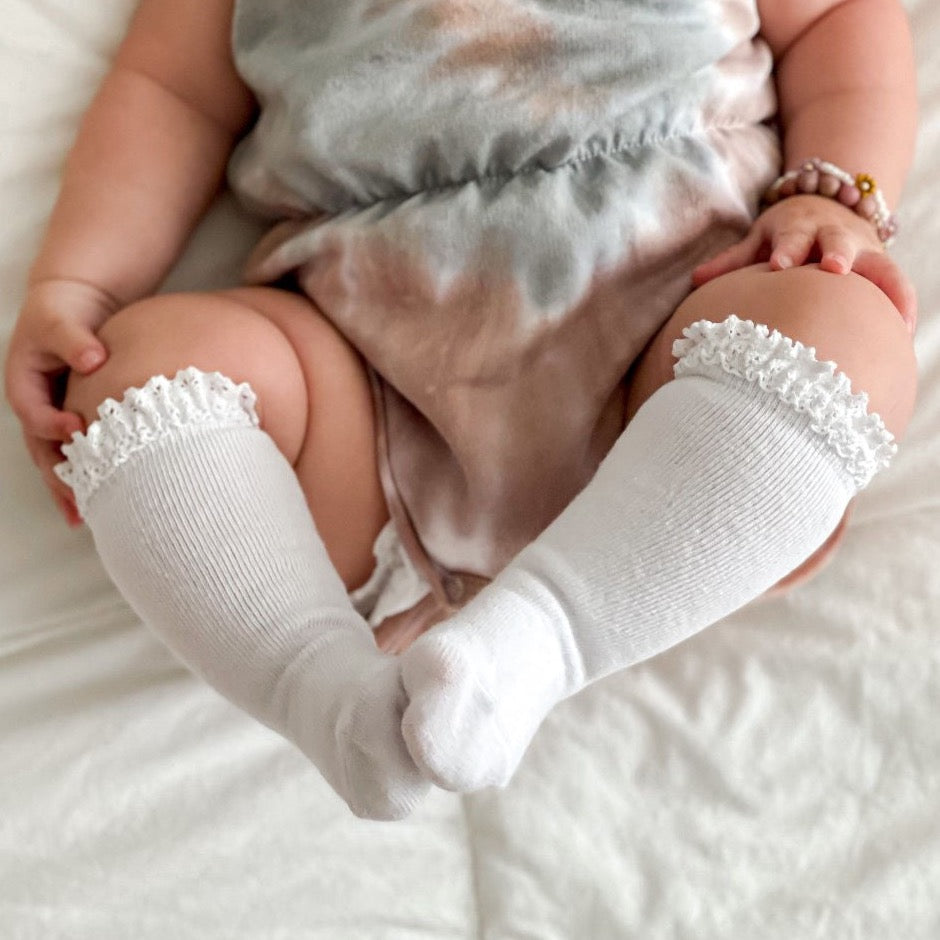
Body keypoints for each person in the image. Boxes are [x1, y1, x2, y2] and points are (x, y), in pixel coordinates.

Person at [3, 0, 919, 818]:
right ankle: (324, 693)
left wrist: (836, 194)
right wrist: (80, 281)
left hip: (676, 348)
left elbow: (841, 17)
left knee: (840, 323)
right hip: (368, 391)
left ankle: (552, 636)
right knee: (136, 368)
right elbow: (170, 96)